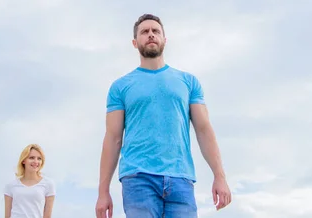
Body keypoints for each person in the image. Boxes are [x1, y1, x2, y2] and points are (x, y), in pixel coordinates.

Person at [95, 14, 232, 218]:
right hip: (138, 178)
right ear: (135, 42)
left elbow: (203, 129)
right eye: (144, 32)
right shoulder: (120, 87)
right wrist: (103, 191)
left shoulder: (188, 82)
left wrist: (219, 176)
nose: (151, 35)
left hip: (181, 179)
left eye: (155, 31)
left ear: (164, 40)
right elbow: (113, 138)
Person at [4, 144, 56, 218]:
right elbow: (7, 216)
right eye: (31, 158)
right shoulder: (10, 186)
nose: (36, 161)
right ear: (23, 160)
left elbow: (47, 216)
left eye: (39, 159)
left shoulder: (48, 184)